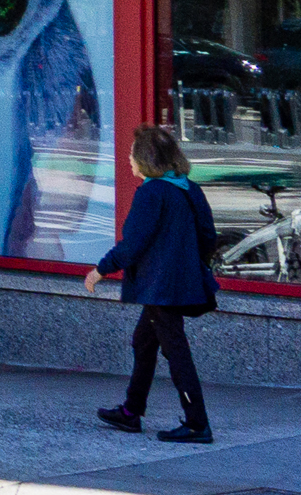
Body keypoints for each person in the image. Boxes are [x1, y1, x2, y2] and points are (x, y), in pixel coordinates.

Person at [87, 125, 219, 444]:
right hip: (177, 283)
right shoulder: (189, 188)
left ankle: (197, 422)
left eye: (133, 153)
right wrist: (186, 263)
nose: (129, 158)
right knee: (143, 342)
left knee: (176, 351)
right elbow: (208, 237)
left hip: (161, 286)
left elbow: (133, 244)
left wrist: (100, 270)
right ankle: (131, 412)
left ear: (146, 159)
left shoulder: (151, 192)